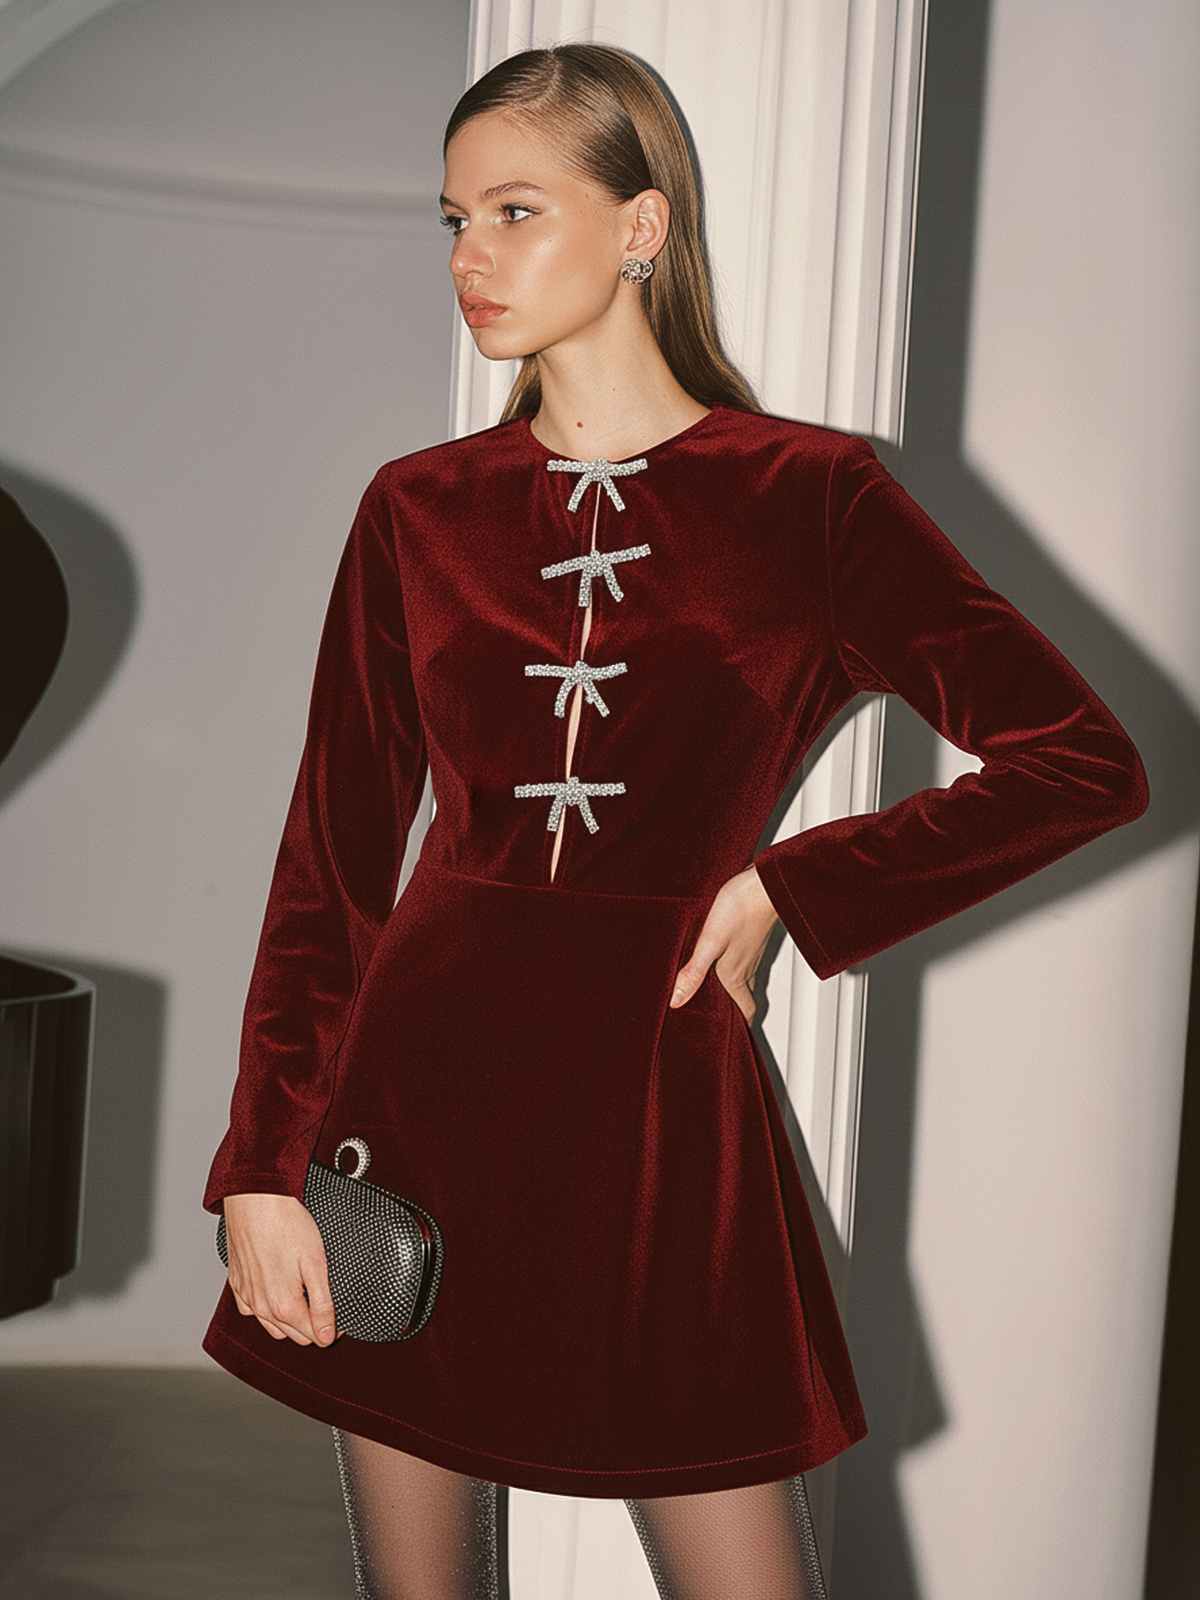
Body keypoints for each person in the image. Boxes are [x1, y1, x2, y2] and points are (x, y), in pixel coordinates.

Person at [202, 43, 1147, 1600]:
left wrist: (790, 887)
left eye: (517, 212)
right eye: (453, 221)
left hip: (655, 1116)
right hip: (415, 1107)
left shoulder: (811, 499)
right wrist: (261, 1164)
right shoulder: (416, 509)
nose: (472, 257)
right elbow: (332, 863)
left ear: (641, 225)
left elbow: (1081, 758)